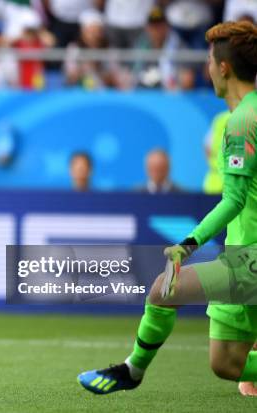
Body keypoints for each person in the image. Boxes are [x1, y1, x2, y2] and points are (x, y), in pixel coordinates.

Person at [78, 20, 257, 395]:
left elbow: (235, 200)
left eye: (210, 60)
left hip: (250, 261)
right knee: (227, 364)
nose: (207, 67)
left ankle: (132, 371)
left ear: (223, 67)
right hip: (243, 254)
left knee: (163, 289)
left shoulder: (241, 122)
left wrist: (186, 245)